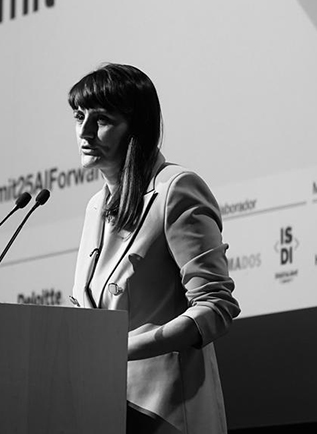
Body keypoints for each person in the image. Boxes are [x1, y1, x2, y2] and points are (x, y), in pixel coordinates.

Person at [68, 63, 240, 434]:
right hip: (104, 411)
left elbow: (215, 307)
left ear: (136, 126)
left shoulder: (176, 189)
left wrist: (122, 350)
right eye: (80, 116)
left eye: (102, 119)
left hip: (167, 412)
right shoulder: (95, 207)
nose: (84, 130)